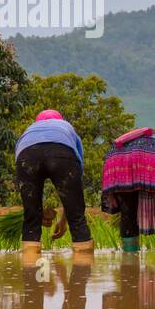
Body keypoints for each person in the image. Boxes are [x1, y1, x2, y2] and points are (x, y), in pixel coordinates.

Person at [100, 127, 155, 254]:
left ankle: (129, 259)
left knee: (128, 212)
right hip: (149, 154)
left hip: (116, 157)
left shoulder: (137, 139)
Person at [15, 109, 93, 255]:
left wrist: (39, 210)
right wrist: (65, 221)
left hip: (27, 155)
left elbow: (22, 169)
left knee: (31, 217)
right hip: (62, 153)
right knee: (77, 217)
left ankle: (31, 265)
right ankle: (83, 265)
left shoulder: (29, 131)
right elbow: (74, 188)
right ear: (60, 120)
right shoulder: (67, 128)